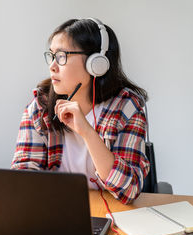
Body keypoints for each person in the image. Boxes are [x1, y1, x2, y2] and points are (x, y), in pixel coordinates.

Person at [11, 18, 150, 204]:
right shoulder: (40, 106)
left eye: (61, 56)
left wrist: (87, 132)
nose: (52, 65)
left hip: (112, 212)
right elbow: (22, 179)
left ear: (96, 63)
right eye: (51, 56)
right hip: (56, 211)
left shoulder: (126, 108)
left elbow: (129, 190)